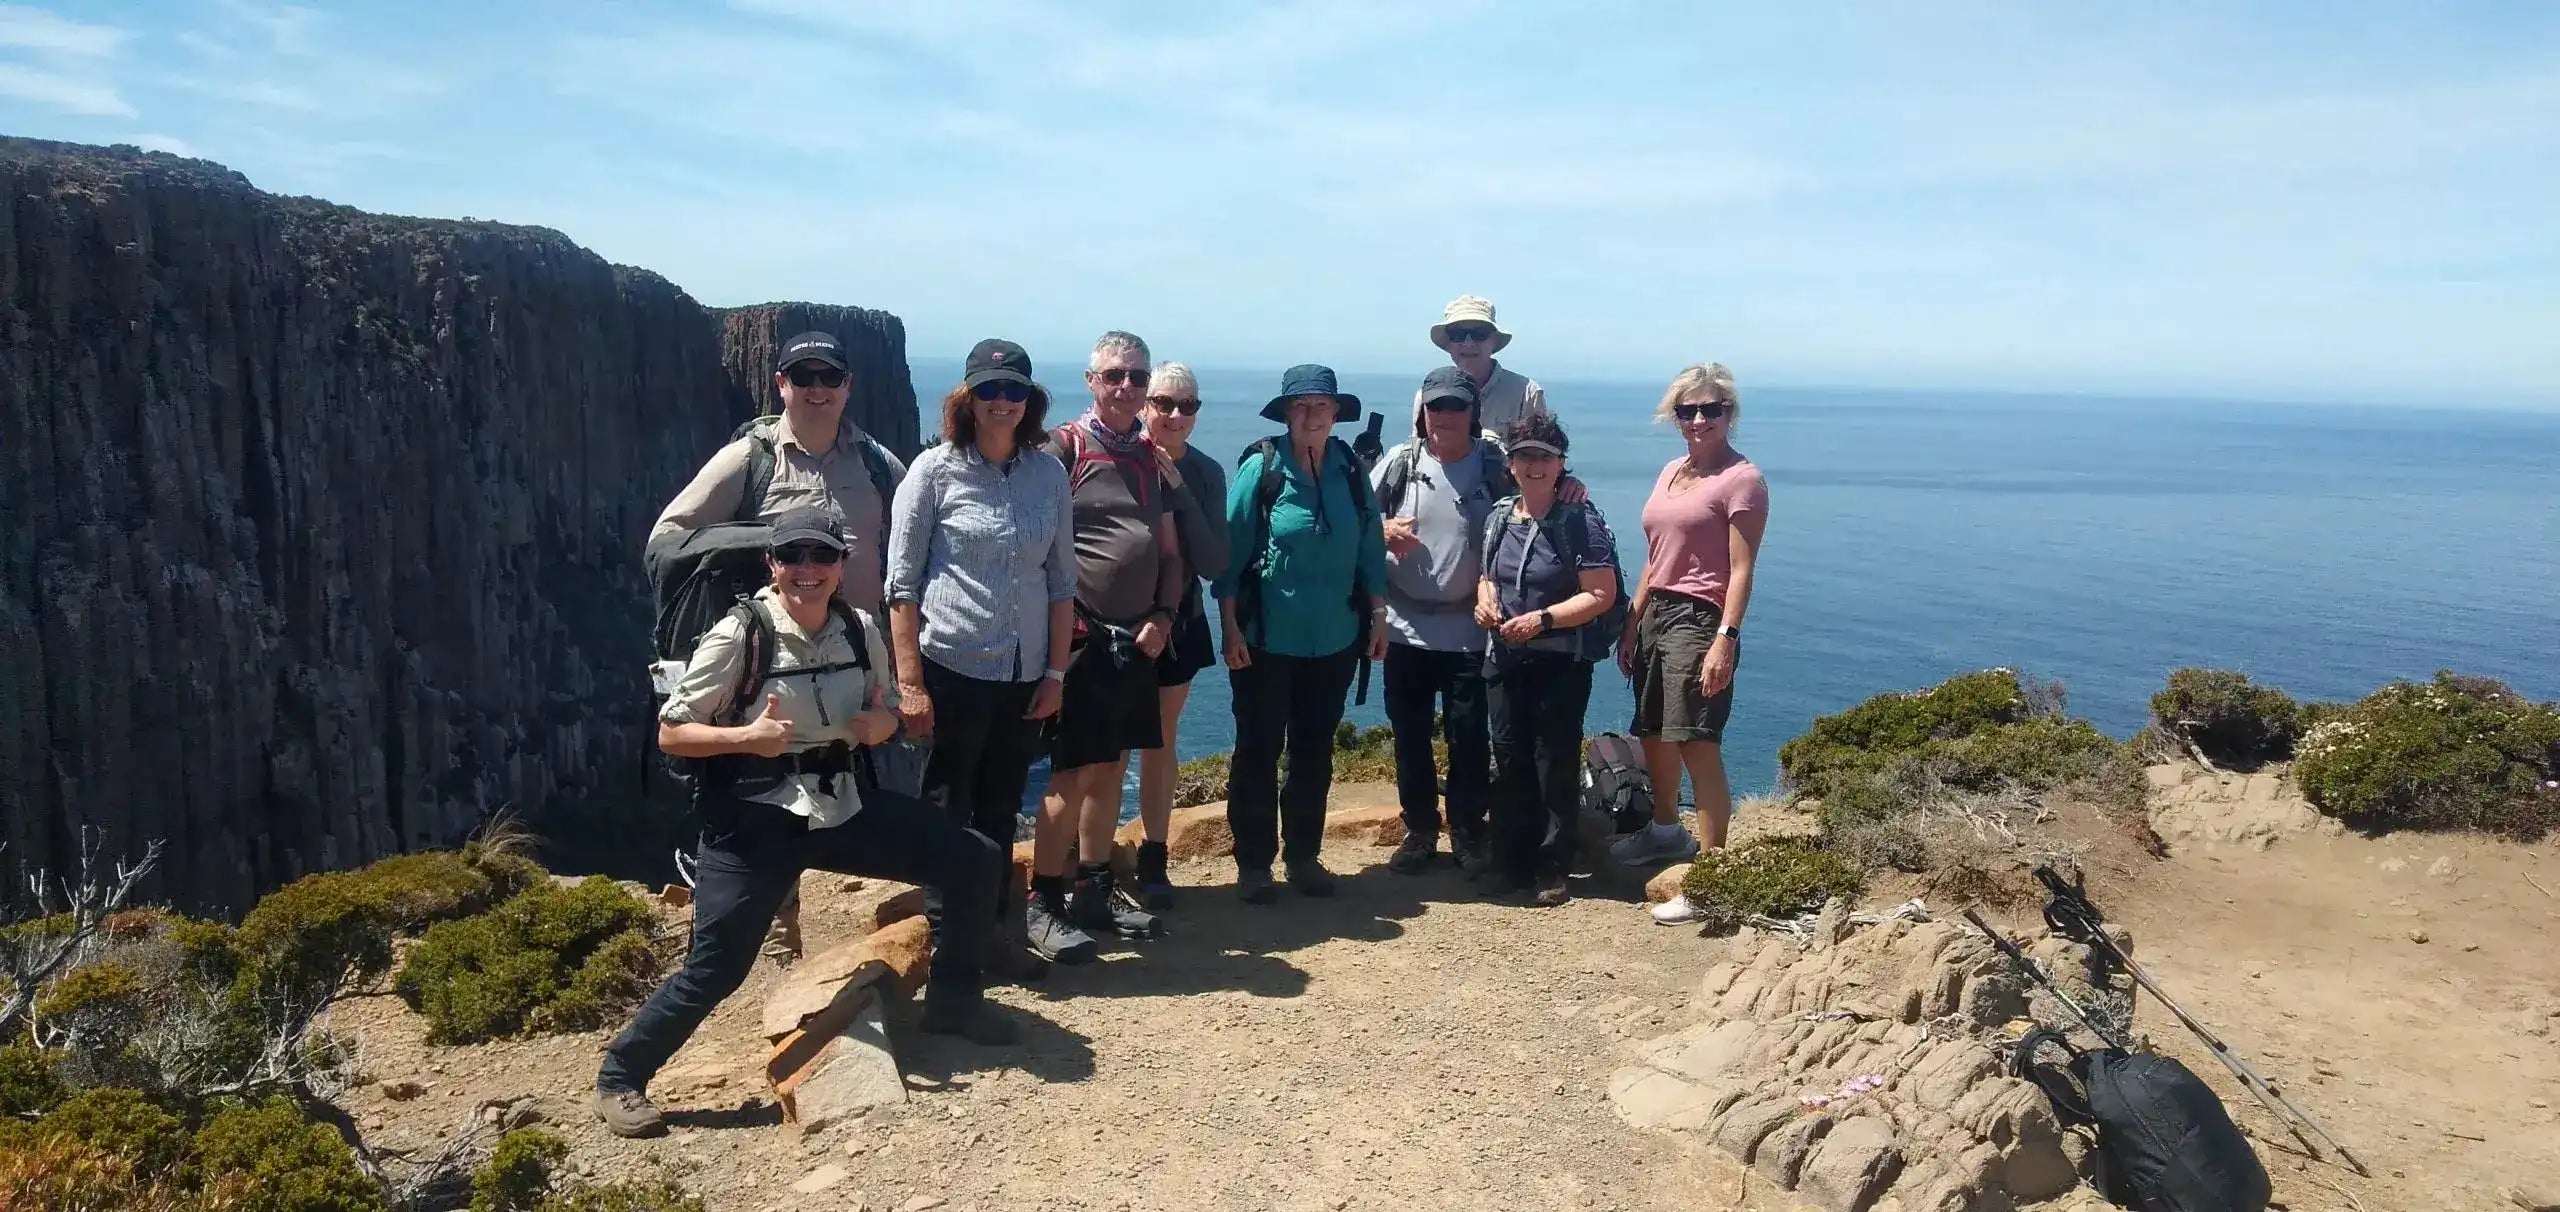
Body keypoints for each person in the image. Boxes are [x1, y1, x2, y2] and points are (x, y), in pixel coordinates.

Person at [597, 507, 1012, 1140]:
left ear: (841, 565)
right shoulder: (742, 634)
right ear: (773, 563)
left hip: (838, 804)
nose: (807, 571)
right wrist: (746, 737)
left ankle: (955, 1005)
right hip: (755, 817)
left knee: (974, 858)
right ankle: (622, 1075)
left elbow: (884, 705)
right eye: (792, 556)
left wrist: (887, 725)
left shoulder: (857, 627)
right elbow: (672, 733)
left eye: (821, 557)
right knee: (717, 966)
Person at [651, 329, 909, 963]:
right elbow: (666, 536)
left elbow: (918, 533)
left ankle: (905, 922)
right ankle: (768, 935)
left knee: (865, 769)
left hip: (858, 646)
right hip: (779, 652)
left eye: (830, 377)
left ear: (848, 385)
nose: (817, 389)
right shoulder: (750, 457)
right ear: (781, 385)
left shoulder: (875, 461)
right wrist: (768, 541)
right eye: (803, 376)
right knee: (775, 785)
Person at [885, 339, 1076, 977]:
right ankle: (948, 946)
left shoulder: (1048, 474)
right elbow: (901, 586)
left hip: (1023, 677)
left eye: (1014, 391)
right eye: (989, 390)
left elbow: (1060, 582)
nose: (1002, 402)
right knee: (946, 809)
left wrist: (1054, 673)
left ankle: (994, 937)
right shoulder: (933, 472)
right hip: (952, 669)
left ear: (1031, 401)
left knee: (1000, 808)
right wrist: (910, 685)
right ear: (967, 399)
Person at [1213, 364, 1390, 902]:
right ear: (1287, 412)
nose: (1312, 416)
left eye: (1322, 407)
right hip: (1266, 638)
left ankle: (1304, 856)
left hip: (1336, 636)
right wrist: (1230, 630)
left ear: (1336, 414)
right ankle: (1254, 865)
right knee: (1259, 750)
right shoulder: (1262, 469)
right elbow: (1231, 556)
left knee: (1314, 749)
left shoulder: (1350, 469)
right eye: (1301, 406)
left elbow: (1370, 549)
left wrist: (1378, 617)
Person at [1037, 331, 1186, 951]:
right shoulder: (1063, 449)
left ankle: (1093, 891)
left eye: (1136, 377)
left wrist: (1164, 615)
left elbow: (1172, 554)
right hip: (1081, 640)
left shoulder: (1151, 458)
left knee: (1113, 767)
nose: (1126, 386)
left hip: (1138, 642)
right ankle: (1042, 903)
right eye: (1114, 375)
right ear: (1091, 380)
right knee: (1072, 773)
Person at [1609, 364, 1769, 926]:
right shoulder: (1672, 471)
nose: (1698, 420)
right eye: (1687, 410)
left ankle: (1713, 875)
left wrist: (1725, 637)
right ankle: (1664, 833)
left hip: (1701, 618)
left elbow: (1742, 568)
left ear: (1730, 414)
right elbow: (1655, 559)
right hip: (1656, 614)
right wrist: (1631, 624)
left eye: (1711, 409)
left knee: (1696, 738)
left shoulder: (1741, 479)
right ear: (1674, 415)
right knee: (1652, 732)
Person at [1474, 413, 1622, 907]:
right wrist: (1485, 601)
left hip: (1560, 660)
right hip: (1504, 657)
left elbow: (1601, 593)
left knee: (1553, 761)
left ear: (1561, 463)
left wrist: (1543, 620)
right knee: (1508, 756)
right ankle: (1510, 859)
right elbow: (1487, 575)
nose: (1534, 465)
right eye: (1525, 456)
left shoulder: (1581, 520)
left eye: (1545, 456)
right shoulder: (1499, 517)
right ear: (1511, 464)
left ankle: (1551, 865)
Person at [1372, 367, 1506, 876]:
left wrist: (1574, 483)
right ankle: (1420, 830)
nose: (1445, 417)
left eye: (1456, 407)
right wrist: (1382, 526)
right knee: (1409, 735)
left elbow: (1541, 493)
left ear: (1473, 415)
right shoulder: (1400, 463)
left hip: (1470, 631)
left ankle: (1470, 833)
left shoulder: (1494, 466)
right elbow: (1359, 517)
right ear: (1422, 411)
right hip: (1405, 628)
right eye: (1436, 407)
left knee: (1469, 738)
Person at [1133, 362, 1229, 910]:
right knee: (1105, 750)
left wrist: (1178, 489)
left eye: (1186, 406)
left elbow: (1215, 562)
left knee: (1161, 741)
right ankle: (1086, 863)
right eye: (1164, 403)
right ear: (1145, 403)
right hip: (1113, 624)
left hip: (1181, 620)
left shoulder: (1206, 472)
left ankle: (1154, 854)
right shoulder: (1117, 459)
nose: (1174, 414)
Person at [1414, 295, 1547, 435]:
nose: (1468, 343)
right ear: (1448, 343)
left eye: (1479, 334)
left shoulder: (1526, 393)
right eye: (1458, 334)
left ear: (1494, 340)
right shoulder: (1427, 396)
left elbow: (1539, 454)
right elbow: (1419, 451)